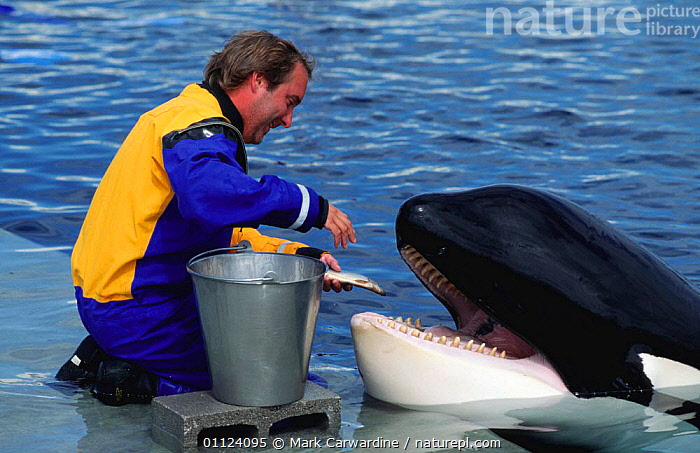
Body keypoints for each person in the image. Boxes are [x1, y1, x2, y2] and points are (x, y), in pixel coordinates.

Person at [55, 30, 356, 405]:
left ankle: (119, 353)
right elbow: (210, 198)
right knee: (286, 386)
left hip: (116, 299)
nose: (289, 120)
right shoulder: (198, 128)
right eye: (289, 101)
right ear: (258, 81)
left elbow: (219, 230)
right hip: (134, 310)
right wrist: (307, 205)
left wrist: (296, 255)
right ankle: (133, 379)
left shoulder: (186, 112)